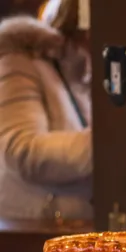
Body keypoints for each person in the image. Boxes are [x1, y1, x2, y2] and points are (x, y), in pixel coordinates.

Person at [0, 0, 92, 221]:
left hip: (68, 221)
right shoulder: (20, 61)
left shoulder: (76, 67)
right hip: (31, 230)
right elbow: (22, 149)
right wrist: (112, 145)